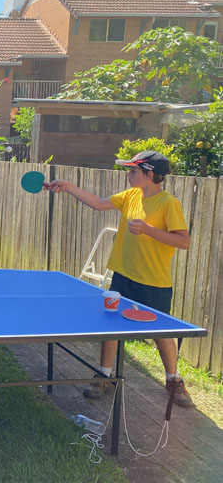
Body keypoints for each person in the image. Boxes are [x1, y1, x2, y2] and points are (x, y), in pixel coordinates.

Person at [45, 151, 194, 408]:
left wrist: (148, 230)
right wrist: (68, 187)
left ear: (149, 174)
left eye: (133, 171)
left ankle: (173, 380)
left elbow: (184, 241)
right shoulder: (130, 196)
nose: (129, 175)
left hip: (153, 282)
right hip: (122, 276)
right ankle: (104, 375)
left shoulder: (168, 203)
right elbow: (98, 203)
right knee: (111, 327)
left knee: (162, 335)